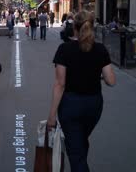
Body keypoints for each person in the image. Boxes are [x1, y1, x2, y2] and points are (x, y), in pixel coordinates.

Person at [47, 11, 116, 172]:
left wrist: (51, 116)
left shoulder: (64, 49)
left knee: (76, 151)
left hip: (71, 105)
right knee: (80, 141)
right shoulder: (100, 49)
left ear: (74, 28)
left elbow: (60, 84)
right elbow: (111, 81)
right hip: (94, 105)